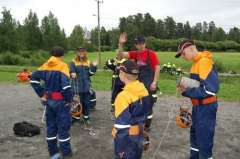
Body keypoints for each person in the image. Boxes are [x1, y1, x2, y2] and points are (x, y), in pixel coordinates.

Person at [176, 39, 219, 159]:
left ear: (191, 48)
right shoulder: (195, 64)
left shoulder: (204, 62)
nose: (183, 57)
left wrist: (186, 92)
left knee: (204, 142)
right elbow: (198, 85)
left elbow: (210, 90)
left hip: (206, 108)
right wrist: (185, 85)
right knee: (195, 139)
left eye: (183, 53)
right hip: (198, 106)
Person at [30, 46, 73, 159]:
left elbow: (33, 79)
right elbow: (66, 87)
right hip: (61, 102)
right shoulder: (63, 66)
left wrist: (42, 94)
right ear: (62, 56)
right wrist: (69, 100)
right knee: (63, 127)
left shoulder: (45, 65)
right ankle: (66, 153)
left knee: (51, 126)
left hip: (49, 102)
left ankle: (53, 152)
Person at [117, 33, 160, 131]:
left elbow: (157, 68)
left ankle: (147, 126)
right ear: (135, 45)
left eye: (142, 43)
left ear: (145, 43)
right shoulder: (135, 54)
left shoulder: (151, 54)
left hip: (149, 83)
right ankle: (138, 121)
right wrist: (121, 44)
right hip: (137, 83)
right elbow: (120, 56)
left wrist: (155, 82)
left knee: (148, 104)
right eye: (138, 44)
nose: (140, 45)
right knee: (137, 104)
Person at [112, 60, 148, 159]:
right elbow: (146, 113)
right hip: (139, 135)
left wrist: (120, 149)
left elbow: (122, 127)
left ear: (122, 74)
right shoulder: (143, 90)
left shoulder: (123, 96)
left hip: (127, 140)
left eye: (119, 72)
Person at [69, 47, 98, 124]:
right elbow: (71, 71)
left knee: (86, 103)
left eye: (83, 51)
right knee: (77, 103)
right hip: (76, 88)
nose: (81, 53)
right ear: (77, 53)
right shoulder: (73, 62)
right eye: (80, 51)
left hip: (86, 87)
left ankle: (86, 117)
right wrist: (72, 73)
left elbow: (91, 73)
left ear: (85, 52)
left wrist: (94, 66)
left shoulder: (88, 62)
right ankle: (76, 118)